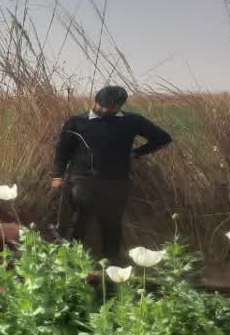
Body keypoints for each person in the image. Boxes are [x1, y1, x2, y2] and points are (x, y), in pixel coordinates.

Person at [51, 85, 172, 262]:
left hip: (116, 183)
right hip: (82, 182)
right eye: (103, 106)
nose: (106, 110)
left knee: (112, 226)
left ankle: (112, 266)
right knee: (77, 223)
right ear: (96, 101)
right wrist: (57, 176)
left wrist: (136, 153)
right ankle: (71, 264)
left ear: (119, 106)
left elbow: (163, 138)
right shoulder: (76, 122)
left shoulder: (132, 121)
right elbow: (62, 151)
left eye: (112, 108)